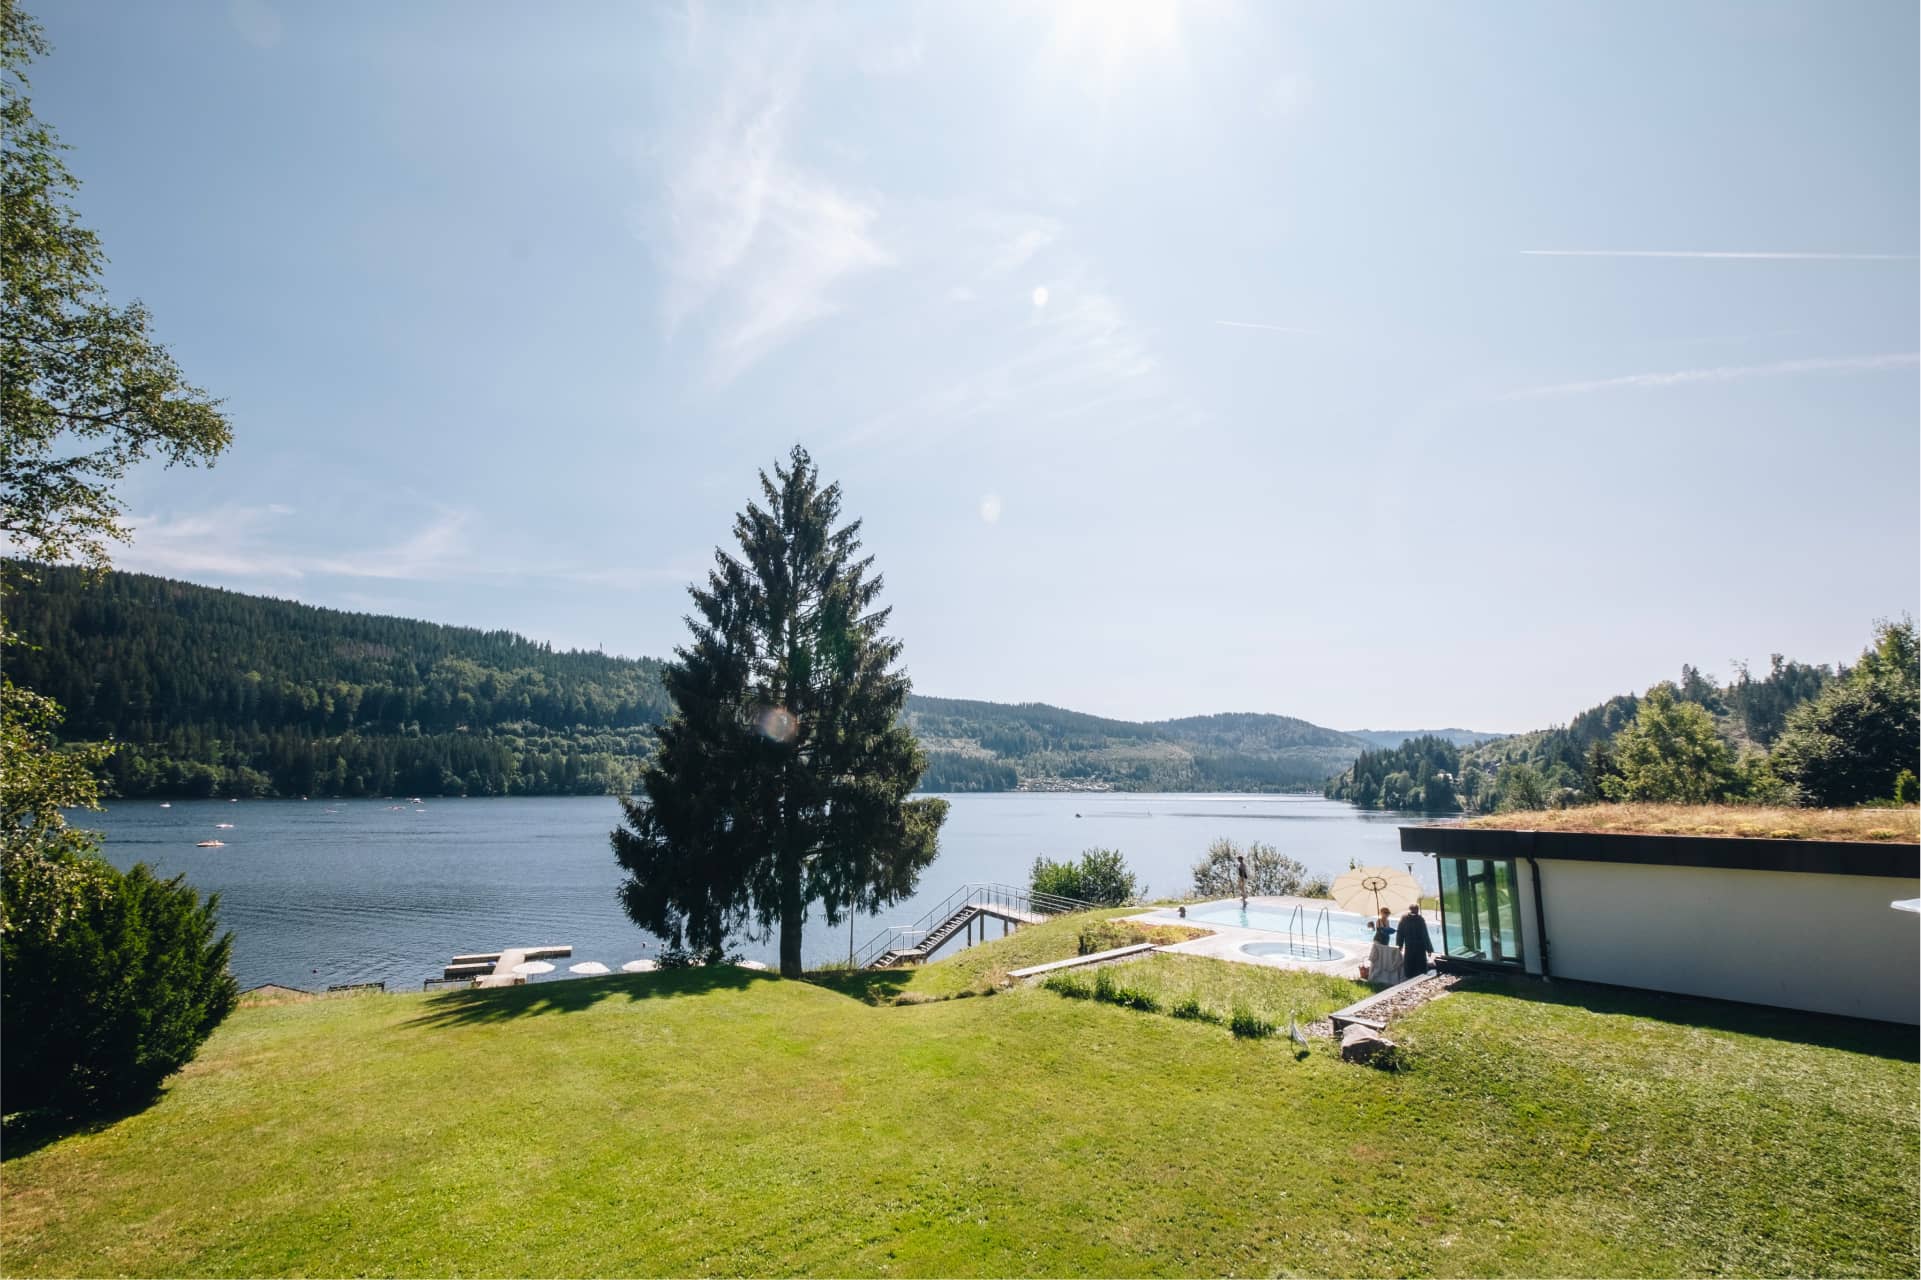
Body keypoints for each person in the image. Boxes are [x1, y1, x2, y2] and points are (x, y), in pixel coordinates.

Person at [1396, 903, 1434, 978]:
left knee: (1410, 963)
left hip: (1410, 945)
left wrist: (1399, 945)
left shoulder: (1404, 919)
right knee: (1420, 965)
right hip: (1419, 946)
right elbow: (1425, 935)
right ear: (1417, 910)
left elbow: (1400, 933)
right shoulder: (1420, 919)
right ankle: (1420, 977)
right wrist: (1429, 949)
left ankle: (1410, 977)